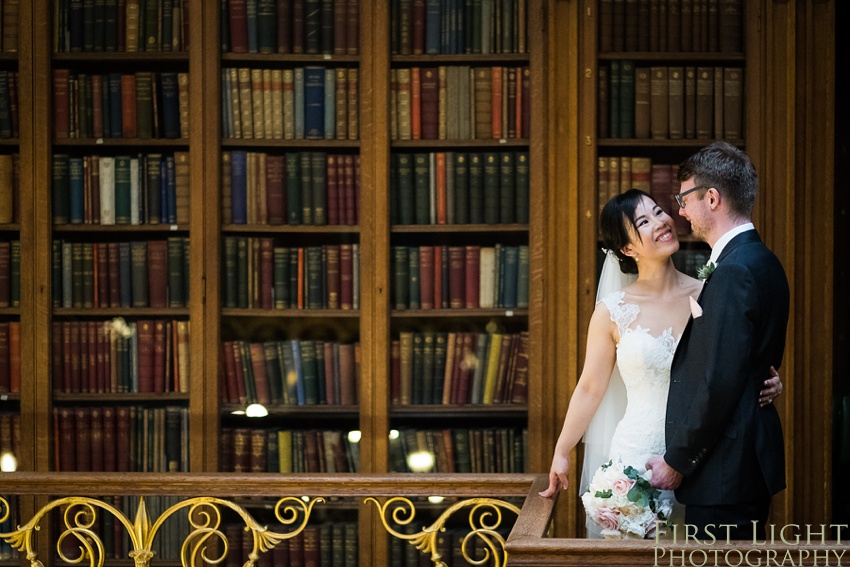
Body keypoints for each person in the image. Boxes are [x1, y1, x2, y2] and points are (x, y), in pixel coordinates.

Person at [538, 186, 783, 539]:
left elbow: (730, 370)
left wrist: (770, 381)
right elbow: (590, 388)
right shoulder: (612, 311)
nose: (661, 221)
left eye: (658, 211)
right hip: (636, 454)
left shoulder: (709, 291)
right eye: (644, 221)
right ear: (627, 248)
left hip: (701, 458)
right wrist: (562, 452)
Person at [645, 141, 790, 540]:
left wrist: (677, 460)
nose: (680, 211)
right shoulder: (761, 261)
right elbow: (746, 363)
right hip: (738, 465)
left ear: (712, 197)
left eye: (684, 199)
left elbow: (719, 380)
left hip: (725, 469)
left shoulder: (733, 272)